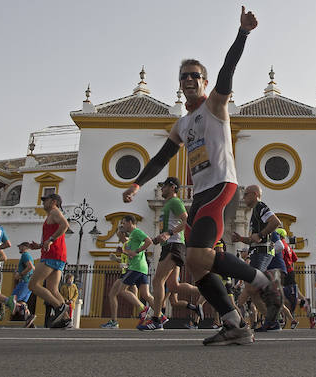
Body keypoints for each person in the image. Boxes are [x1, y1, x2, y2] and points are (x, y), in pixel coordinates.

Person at [122, 7, 282, 346]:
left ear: (205, 82)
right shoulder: (181, 124)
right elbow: (162, 157)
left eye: (196, 75)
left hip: (221, 188)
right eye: (184, 77)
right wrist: (137, 183)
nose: (190, 80)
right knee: (197, 267)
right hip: (200, 194)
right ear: (179, 85)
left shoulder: (216, 105)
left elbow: (228, 69)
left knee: (196, 255)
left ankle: (262, 281)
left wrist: (242, 33)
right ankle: (234, 323)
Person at [139, 177, 202, 331]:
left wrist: (168, 233)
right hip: (171, 244)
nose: (161, 189)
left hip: (174, 245)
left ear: (172, 187)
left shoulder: (175, 202)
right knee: (173, 285)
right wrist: (158, 238)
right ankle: (207, 290)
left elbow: (186, 220)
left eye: (164, 186)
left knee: (157, 281)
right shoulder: (168, 205)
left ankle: (157, 319)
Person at [231, 184, 285, 332]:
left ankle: (273, 317)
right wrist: (241, 238)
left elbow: (275, 222)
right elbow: (253, 239)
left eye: (246, 194)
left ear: (254, 194)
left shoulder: (260, 206)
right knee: (251, 289)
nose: (243, 198)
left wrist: (261, 235)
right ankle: (271, 321)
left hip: (262, 252)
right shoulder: (254, 212)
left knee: (251, 286)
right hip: (256, 252)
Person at [27, 194, 72, 328]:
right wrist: (40, 245)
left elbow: (65, 225)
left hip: (51, 255)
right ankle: (66, 319)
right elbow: (52, 237)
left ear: (53, 202)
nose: (43, 203)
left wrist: (50, 240)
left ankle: (59, 307)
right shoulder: (52, 214)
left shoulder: (54, 212)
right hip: (58, 255)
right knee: (53, 289)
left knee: (33, 285)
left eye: (45, 200)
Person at [103, 215, 154, 329]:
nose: (118, 236)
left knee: (117, 292)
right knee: (145, 294)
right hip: (134, 268)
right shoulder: (128, 242)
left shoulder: (131, 239)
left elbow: (132, 255)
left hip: (131, 269)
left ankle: (142, 310)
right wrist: (118, 258)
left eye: (119, 234)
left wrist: (125, 256)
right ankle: (159, 316)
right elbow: (127, 257)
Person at [12, 242, 36, 327]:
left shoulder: (25, 255)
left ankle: (29, 316)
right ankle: (29, 321)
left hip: (25, 282)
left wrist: (20, 274)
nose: (19, 248)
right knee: (22, 302)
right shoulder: (27, 256)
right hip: (28, 282)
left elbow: (30, 267)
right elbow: (32, 268)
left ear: (25, 247)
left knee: (13, 299)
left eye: (21, 246)